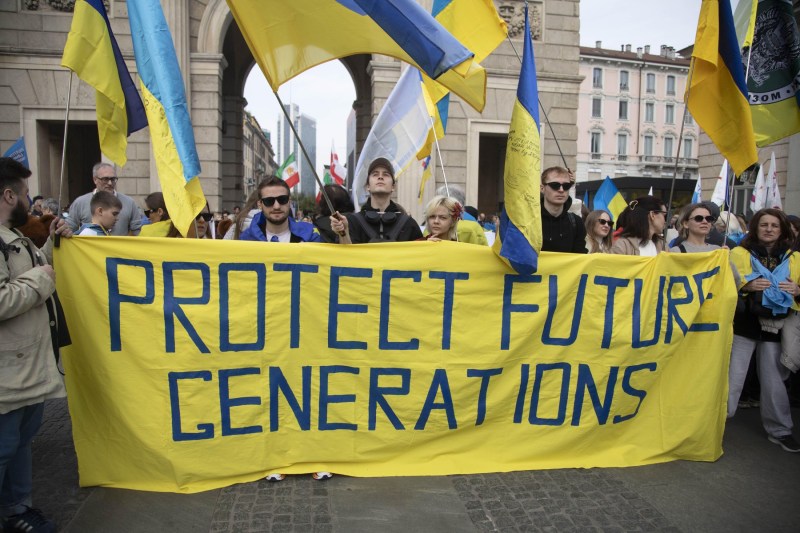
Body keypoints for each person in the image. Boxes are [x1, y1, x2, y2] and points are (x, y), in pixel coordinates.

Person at [1, 157, 72, 533]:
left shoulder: (17, 240)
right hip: (6, 372)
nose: (32, 203)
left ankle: (18, 509)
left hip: (26, 366)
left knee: (21, 444)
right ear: (9, 195)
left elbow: (32, 275)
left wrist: (52, 248)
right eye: (27, 194)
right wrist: (41, 278)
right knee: (3, 448)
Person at [727, 208, 800, 452]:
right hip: (743, 325)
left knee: (774, 382)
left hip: (776, 328)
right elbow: (724, 283)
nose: (769, 229)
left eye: (774, 225)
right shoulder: (738, 253)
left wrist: (798, 291)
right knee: (732, 379)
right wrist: (745, 284)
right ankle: (715, 425)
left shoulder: (794, 257)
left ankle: (780, 431)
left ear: (782, 230)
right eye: (764, 224)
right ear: (756, 228)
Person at [331, 158, 422, 243]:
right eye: (375, 174)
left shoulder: (409, 224)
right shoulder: (351, 222)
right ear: (368, 186)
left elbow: (421, 256)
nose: (380, 177)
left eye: (386, 174)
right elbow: (345, 257)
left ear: (393, 187)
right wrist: (343, 233)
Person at [67, 162, 142, 236]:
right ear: (95, 180)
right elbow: (69, 229)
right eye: (105, 179)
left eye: (113, 179)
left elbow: (138, 231)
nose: (110, 183)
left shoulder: (129, 202)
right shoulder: (80, 203)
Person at [239, 177, 320, 243]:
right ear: (260, 204)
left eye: (282, 199)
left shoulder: (310, 235)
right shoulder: (246, 238)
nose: (276, 206)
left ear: (289, 201)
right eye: (269, 201)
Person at [540, 167, 586, 253]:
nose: (561, 190)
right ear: (542, 188)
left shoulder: (576, 222)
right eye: (555, 185)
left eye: (566, 186)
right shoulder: (530, 220)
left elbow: (580, 257)